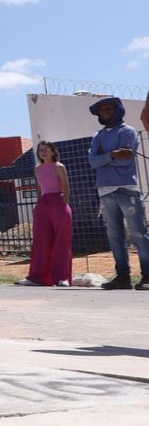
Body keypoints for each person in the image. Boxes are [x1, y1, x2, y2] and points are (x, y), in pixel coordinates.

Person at [86, 96, 149, 290]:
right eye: (102, 110)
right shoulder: (98, 135)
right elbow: (92, 162)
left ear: (117, 110)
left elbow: (126, 159)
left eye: (108, 109)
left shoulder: (127, 131)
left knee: (139, 234)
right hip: (105, 191)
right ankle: (123, 277)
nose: (105, 113)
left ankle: (147, 275)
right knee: (114, 237)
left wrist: (104, 156)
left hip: (126, 189)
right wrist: (113, 153)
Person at [20, 141, 73, 287]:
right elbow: (39, 189)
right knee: (40, 241)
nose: (43, 152)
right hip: (43, 204)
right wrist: (38, 206)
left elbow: (66, 187)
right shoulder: (37, 168)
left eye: (46, 149)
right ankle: (36, 277)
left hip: (59, 202)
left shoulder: (59, 167)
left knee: (61, 240)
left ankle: (62, 277)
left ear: (53, 151)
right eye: (40, 150)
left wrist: (64, 205)